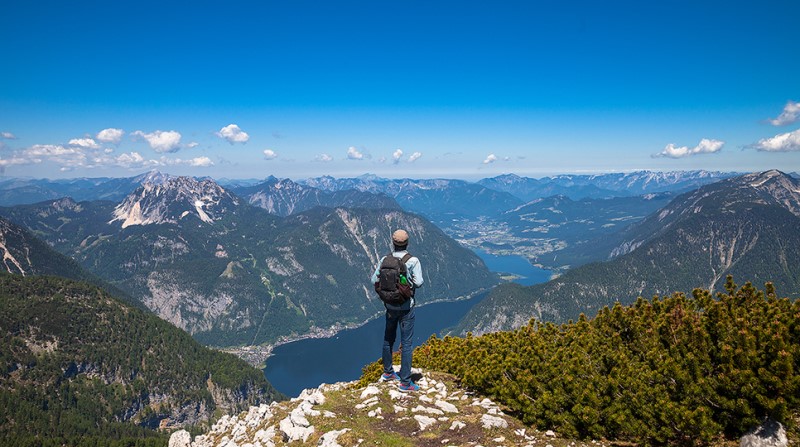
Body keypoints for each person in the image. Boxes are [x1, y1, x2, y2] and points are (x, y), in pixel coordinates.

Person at [370, 228, 424, 392]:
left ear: (393, 243)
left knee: (388, 339)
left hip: (390, 306)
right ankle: (405, 383)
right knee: (406, 343)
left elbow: (374, 279)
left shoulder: (385, 259)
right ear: (407, 243)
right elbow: (420, 282)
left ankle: (388, 373)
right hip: (406, 307)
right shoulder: (412, 260)